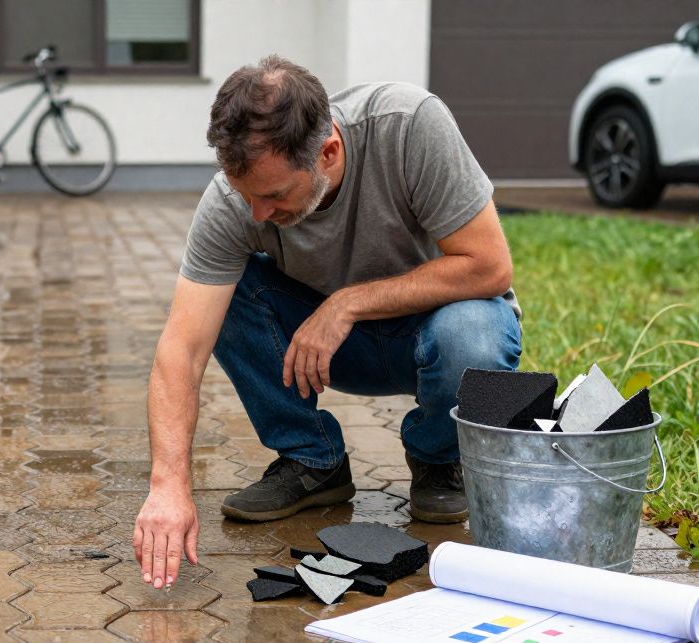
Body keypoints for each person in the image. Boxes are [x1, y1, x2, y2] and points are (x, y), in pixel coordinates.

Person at [132, 56, 521, 589]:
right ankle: (312, 460)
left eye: (272, 196)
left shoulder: (409, 126)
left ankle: (438, 457)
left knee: (476, 332)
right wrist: (168, 486)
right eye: (247, 196)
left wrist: (345, 304)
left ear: (329, 151)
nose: (258, 215)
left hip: (432, 333)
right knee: (221, 291)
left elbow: (490, 266)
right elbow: (181, 349)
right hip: (322, 350)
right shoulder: (234, 203)